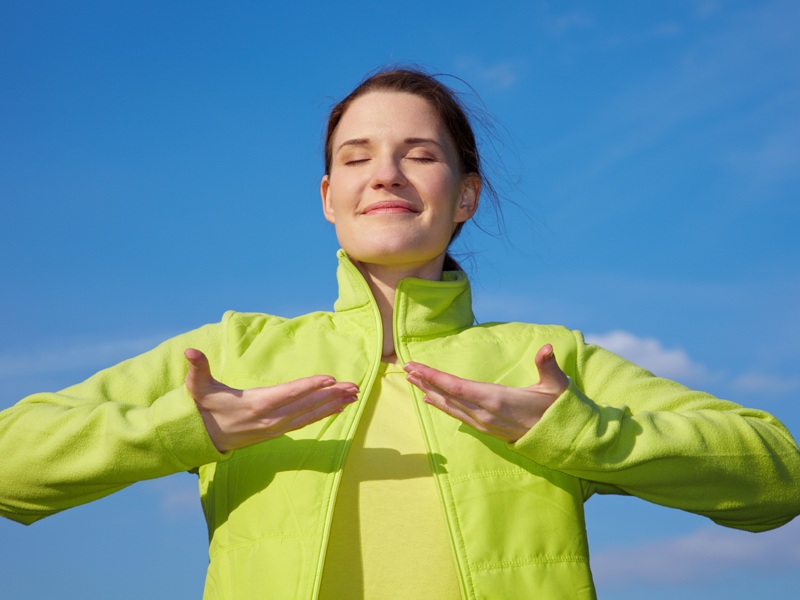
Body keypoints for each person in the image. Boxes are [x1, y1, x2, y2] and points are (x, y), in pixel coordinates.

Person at [1, 68, 799, 600]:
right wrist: (183, 430)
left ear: (466, 197)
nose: (384, 173)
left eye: (419, 154)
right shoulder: (232, 352)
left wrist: (577, 431)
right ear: (328, 196)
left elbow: (777, 479)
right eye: (357, 158)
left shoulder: (546, 361)